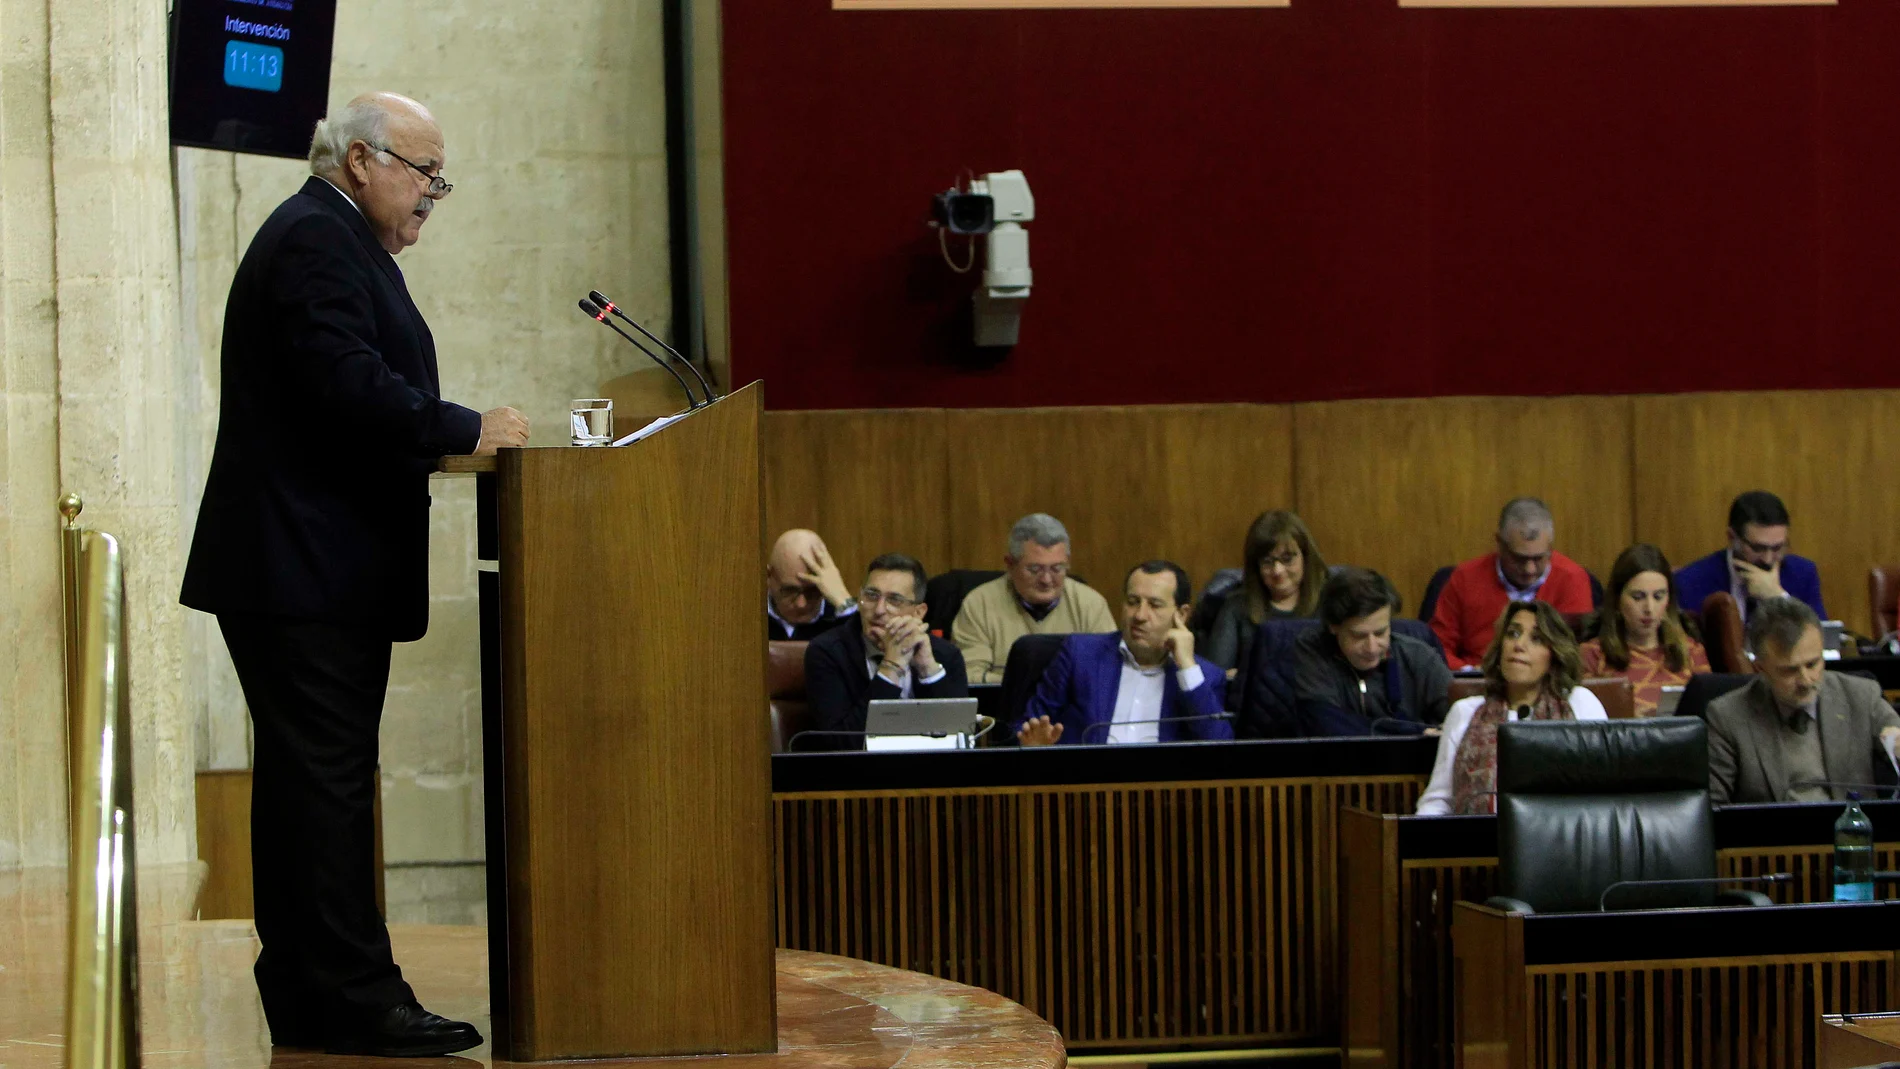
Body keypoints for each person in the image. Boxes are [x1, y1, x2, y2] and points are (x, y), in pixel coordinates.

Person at [178, 94, 520, 1056]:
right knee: (323, 789)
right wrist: (468, 428)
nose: (431, 197)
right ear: (361, 160)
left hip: (305, 568)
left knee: (311, 787)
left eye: (439, 179)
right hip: (302, 570)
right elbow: (347, 386)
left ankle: (309, 988)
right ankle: (355, 995)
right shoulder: (317, 242)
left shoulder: (326, 236)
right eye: (423, 173)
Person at [1416, 602, 1608, 815]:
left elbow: (1601, 793)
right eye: (1513, 634)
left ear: (1554, 655)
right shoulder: (1466, 712)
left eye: (1536, 639)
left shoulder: (1579, 703)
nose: (1519, 645)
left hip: (1560, 841)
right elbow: (1438, 801)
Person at [1014, 562, 1232, 745]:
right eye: (1133, 602)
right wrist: (1033, 744)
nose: (1139, 615)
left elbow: (1220, 750)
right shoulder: (1080, 655)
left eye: (1154, 605)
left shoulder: (1204, 677)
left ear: (1181, 615)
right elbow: (1027, 726)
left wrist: (1186, 666)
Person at [1706, 597, 1900, 804]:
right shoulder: (1727, 717)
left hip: (1852, 832)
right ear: (1760, 668)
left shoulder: (1861, 696)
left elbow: (1895, 736)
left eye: (1812, 664)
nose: (1806, 681)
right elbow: (1712, 809)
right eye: (1789, 671)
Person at [803, 554, 969, 750]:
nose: (879, 609)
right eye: (872, 595)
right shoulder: (827, 652)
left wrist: (928, 670)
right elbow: (841, 744)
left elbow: (960, 742)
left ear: (918, 612)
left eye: (894, 600)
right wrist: (891, 667)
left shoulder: (945, 655)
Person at [1429, 497, 1595, 669]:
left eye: (1539, 558)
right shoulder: (1465, 578)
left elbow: (1574, 653)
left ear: (1550, 547)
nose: (1530, 570)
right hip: (1477, 681)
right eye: (1519, 559)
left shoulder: (1572, 578)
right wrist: (1469, 672)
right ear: (1499, 543)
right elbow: (1437, 648)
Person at [953, 513, 1116, 683]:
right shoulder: (979, 604)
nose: (1046, 580)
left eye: (1056, 568)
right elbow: (968, 677)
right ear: (1009, 563)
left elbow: (1108, 672)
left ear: (1068, 562)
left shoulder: (1091, 604)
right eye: (1035, 569)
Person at [1293, 568, 1451, 735]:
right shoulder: (1312, 652)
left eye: (1380, 633)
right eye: (1358, 636)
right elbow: (1326, 724)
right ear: (1333, 627)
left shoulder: (1419, 656)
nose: (1372, 647)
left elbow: (1464, 717)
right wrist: (1417, 732)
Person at [1206, 510, 1327, 698]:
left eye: (1288, 559)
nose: (1277, 570)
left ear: (1306, 557)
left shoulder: (1329, 602)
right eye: (1267, 561)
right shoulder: (1236, 608)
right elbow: (1215, 678)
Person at [1579, 544, 1710, 717]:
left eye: (1658, 596)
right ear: (1617, 600)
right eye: (1638, 597)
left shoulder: (1691, 652)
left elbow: (1710, 714)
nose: (1649, 608)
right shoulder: (1591, 655)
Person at [1674, 491, 1826, 624]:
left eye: (1778, 548)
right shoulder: (1691, 582)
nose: (1767, 559)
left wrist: (1778, 598)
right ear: (1732, 537)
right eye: (1757, 548)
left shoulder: (1803, 574)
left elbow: (1823, 643)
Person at [766, 529, 859, 640]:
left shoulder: (843, 619)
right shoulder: (747, 619)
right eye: (790, 591)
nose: (802, 604)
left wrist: (844, 601)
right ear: (768, 577)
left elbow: (867, 653)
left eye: (813, 591)